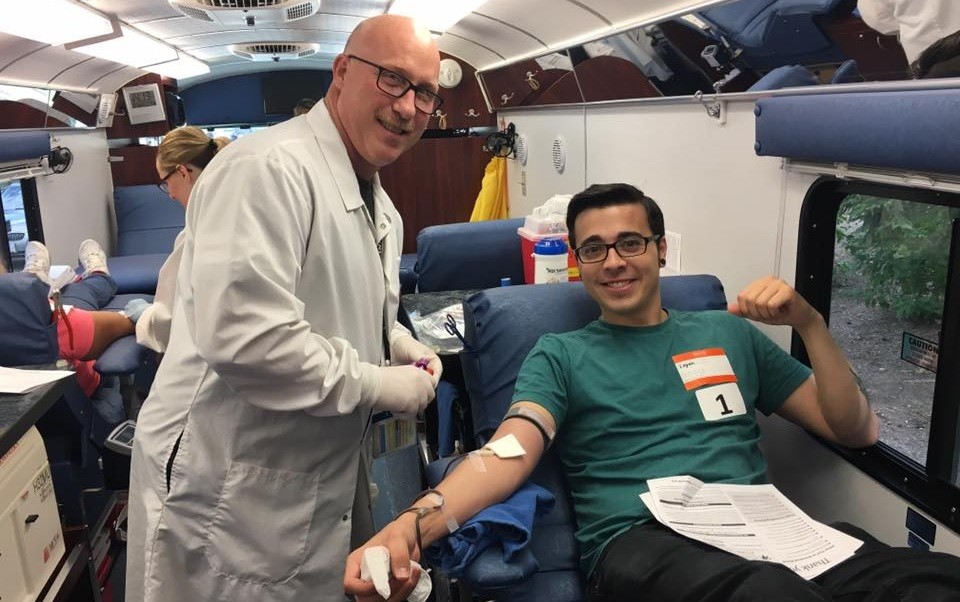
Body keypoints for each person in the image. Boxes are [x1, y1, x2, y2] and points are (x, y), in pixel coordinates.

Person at [345, 183, 960, 602]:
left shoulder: (728, 333)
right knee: (768, 592)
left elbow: (856, 430)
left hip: (764, 530)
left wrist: (811, 323)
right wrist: (410, 526)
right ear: (579, 263)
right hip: (638, 544)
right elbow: (507, 454)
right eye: (594, 249)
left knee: (931, 579)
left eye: (631, 243)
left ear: (660, 250)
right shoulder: (562, 354)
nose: (613, 261)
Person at [126, 14, 443, 602]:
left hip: (309, 470)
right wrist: (378, 384)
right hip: (223, 482)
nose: (407, 107)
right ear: (342, 72)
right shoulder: (266, 169)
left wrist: (396, 341)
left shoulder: (382, 207)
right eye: (393, 79)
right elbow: (249, 338)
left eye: (425, 92)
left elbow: (346, 305)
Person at [120, 126, 230, 353]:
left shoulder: (197, 235)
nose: (170, 194)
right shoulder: (234, 214)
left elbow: (168, 323)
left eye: (165, 182)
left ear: (183, 172)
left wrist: (145, 315)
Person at [858, 0, 960, 73]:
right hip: (951, 36)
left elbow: (877, 18)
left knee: (938, 91)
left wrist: (910, 25)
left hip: (920, 45)